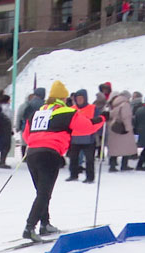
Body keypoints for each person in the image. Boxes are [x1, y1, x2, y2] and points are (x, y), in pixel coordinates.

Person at [22, 80, 105, 241]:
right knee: (44, 193)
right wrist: (102, 119)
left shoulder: (37, 113)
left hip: (32, 154)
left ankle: (45, 224)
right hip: (49, 154)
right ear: (63, 98)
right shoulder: (67, 112)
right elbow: (86, 127)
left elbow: (26, 136)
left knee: (41, 192)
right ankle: (29, 227)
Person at [66, 89, 104, 183]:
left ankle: (90, 177)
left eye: (81, 98)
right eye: (77, 98)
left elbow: (98, 121)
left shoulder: (93, 108)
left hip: (89, 138)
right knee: (73, 158)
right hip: (74, 138)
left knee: (89, 160)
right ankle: (73, 175)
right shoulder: (72, 109)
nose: (79, 100)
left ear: (85, 98)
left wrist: (99, 133)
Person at [107, 91, 138, 172]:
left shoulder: (115, 104)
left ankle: (112, 166)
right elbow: (126, 117)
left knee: (114, 149)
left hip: (114, 128)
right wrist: (129, 128)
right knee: (126, 148)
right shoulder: (125, 104)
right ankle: (124, 165)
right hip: (123, 129)